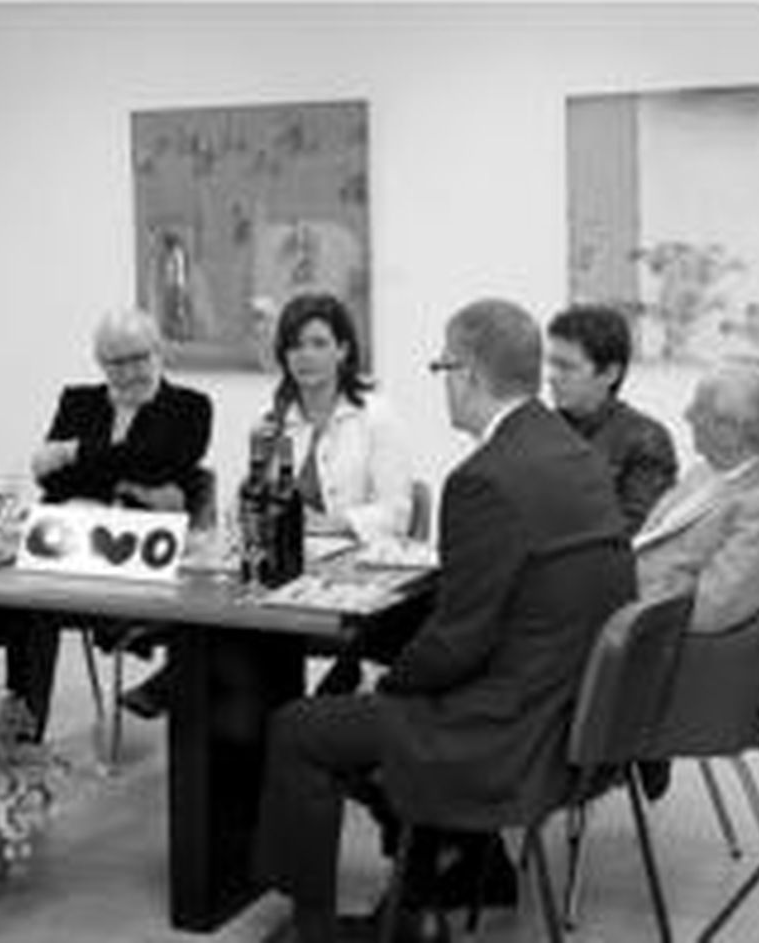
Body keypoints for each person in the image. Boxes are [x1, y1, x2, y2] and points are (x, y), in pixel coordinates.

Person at [253, 299, 636, 943]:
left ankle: (313, 928)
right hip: (573, 713)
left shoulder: (484, 478)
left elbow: (461, 640)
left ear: (468, 374)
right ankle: (456, 876)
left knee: (300, 729)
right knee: (379, 678)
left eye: (441, 366)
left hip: (508, 731)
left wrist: (392, 684)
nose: (442, 383)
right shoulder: (573, 453)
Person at [0, 308, 212, 741]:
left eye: (140, 357)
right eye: (117, 363)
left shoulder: (190, 406)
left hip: (135, 556)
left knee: (32, 599)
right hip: (64, 542)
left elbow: (168, 461)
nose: (131, 371)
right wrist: (131, 475)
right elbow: (53, 478)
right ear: (101, 364)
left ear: (159, 353)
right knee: (25, 594)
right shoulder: (78, 400)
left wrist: (76, 451)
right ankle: (18, 725)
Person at [634, 355, 759, 634]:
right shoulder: (704, 472)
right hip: (625, 611)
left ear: (730, 428)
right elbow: (646, 542)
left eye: (699, 408)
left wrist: (635, 588)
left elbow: (712, 608)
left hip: (654, 638)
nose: (686, 415)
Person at [264, 292, 412, 541]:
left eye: (319, 344)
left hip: (356, 563)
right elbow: (248, 505)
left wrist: (332, 523)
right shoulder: (271, 419)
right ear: (285, 355)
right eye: (295, 345)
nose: (306, 356)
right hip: (287, 559)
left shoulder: (376, 417)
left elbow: (397, 514)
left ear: (342, 350)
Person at [546, 304, 678, 536]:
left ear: (609, 374)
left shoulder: (646, 441)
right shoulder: (539, 429)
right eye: (552, 364)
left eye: (566, 367)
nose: (552, 377)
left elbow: (632, 534)